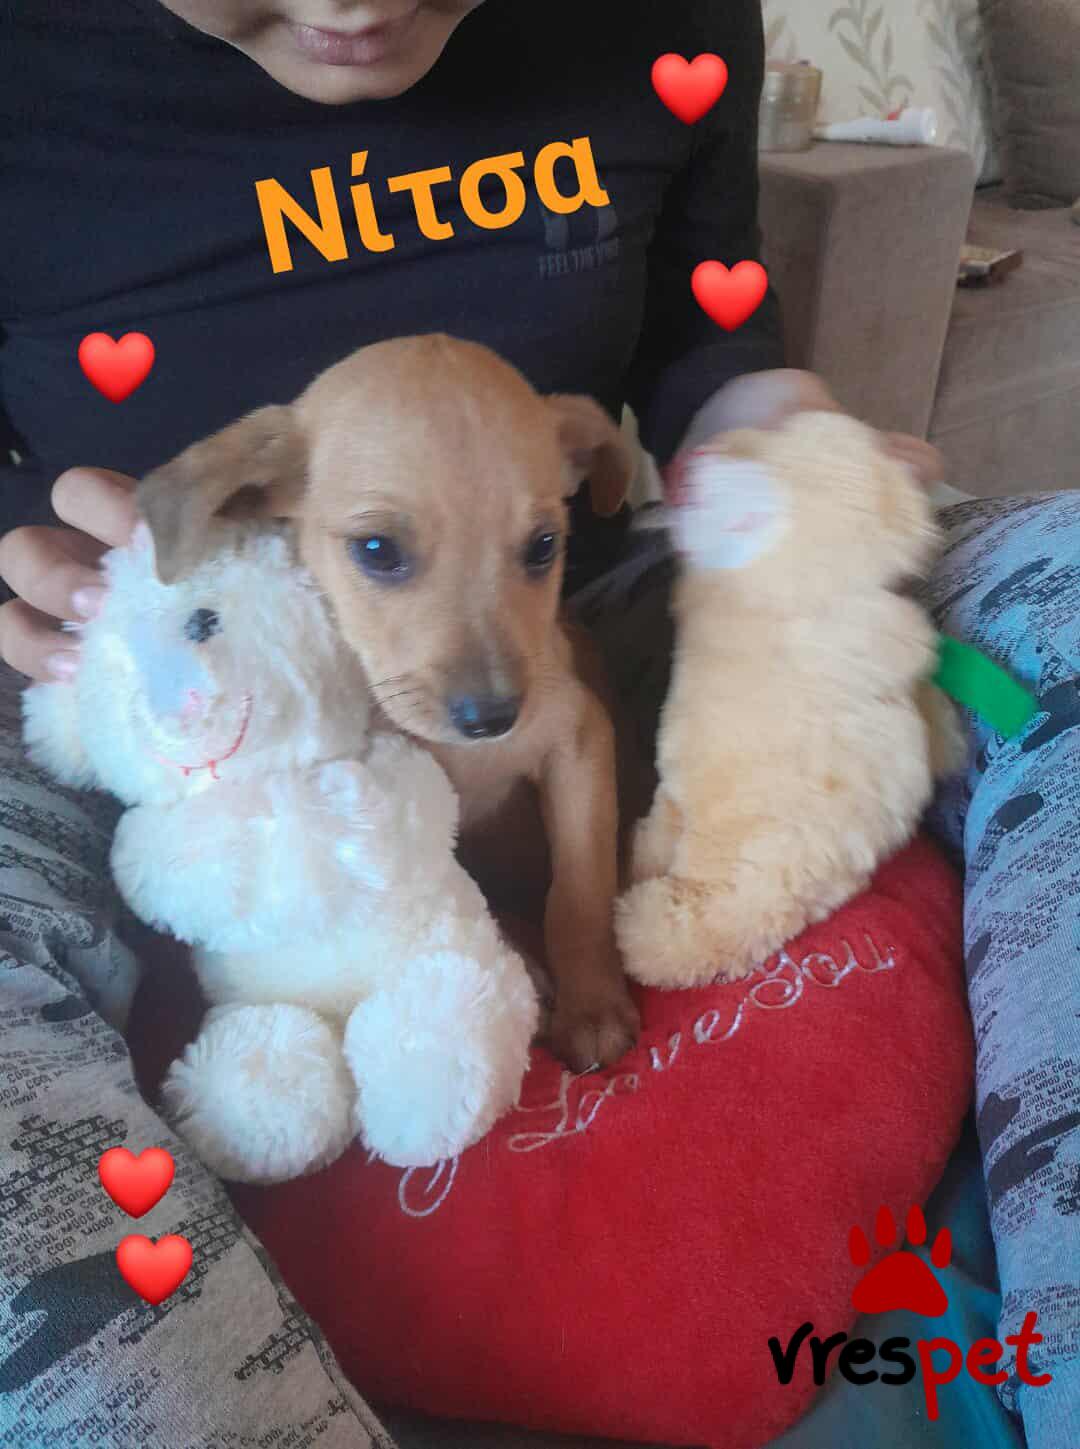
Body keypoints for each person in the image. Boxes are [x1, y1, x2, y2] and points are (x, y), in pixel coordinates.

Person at [2, 4, 1075, 1448]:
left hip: (624, 597)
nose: (355, 6)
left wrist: (791, 458)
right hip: (158, 703)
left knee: (1056, 619)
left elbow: (707, 340)